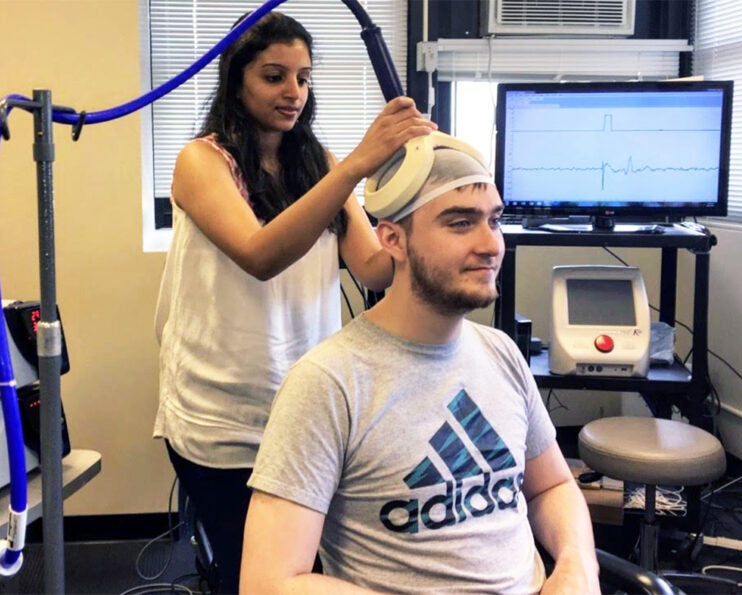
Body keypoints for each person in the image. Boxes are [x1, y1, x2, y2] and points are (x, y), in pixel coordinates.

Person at [152, 11, 438, 593]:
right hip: (222, 417)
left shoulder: (317, 162)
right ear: (237, 80)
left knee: (304, 573)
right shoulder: (201, 161)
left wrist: (424, 213)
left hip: (305, 407)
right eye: (274, 76)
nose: (294, 94)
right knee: (246, 574)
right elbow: (261, 255)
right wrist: (359, 163)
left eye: (303, 79)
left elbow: (374, 269)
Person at [241, 146, 601, 594]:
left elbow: (551, 488)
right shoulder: (328, 383)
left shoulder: (502, 354)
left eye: (494, 220)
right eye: (461, 223)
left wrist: (577, 565)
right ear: (392, 240)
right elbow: (267, 583)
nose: (490, 245)